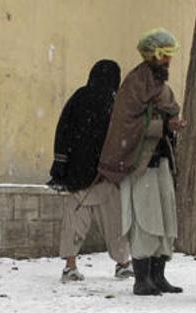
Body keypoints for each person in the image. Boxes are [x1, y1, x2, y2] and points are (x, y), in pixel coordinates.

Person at [98, 28, 186, 296]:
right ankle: (142, 279)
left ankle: (158, 276)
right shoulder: (136, 83)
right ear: (153, 55)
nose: (168, 61)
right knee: (145, 221)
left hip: (160, 161)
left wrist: (170, 124)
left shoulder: (159, 85)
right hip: (140, 164)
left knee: (164, 218)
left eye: (170, 55)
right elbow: (128, 122)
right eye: (164, 55)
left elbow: (163, 110)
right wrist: (161, 123)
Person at [48, 59, 133, 282]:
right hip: (106, 174)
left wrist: (61, 164)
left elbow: (63, 131)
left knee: (75, 220)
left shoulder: (79, 98)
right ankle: (123, 263)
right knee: (115, 221)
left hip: (78, 173)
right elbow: (120, 136)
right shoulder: (115, 102)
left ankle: (70, 265)